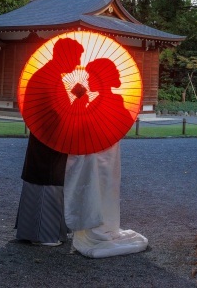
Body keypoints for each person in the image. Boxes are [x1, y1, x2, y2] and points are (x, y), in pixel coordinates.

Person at [63, 58, 148, 258]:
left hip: (97, 153)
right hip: (104, 153)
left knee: (95, 190)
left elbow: (84, 126)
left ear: (101, 80)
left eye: (92, 76)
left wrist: (81, 103)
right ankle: (103, 225)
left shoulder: (107, 101)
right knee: (105, 190)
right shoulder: (110, 100)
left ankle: (96, 228)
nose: (88, 79)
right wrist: (81, 101)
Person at [15, 37, 86, 246]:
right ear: (64, 56)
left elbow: (57, 110)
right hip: (50, 140)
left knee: (47, 182)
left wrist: (73, 98)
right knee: (48, 183)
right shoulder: (50, 79)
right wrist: (78, 101)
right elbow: (59, 115)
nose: (77, 63)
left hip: (45, 137)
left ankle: (39, 232)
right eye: (76, 57)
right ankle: (44, 234)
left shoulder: (49, 76)